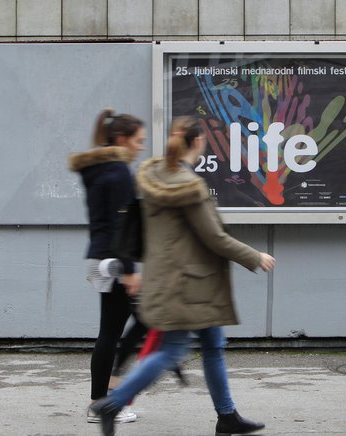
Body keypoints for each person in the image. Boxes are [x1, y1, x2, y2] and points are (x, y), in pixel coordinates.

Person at [90, 116, 276, 436]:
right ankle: (113, 402)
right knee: (172, 351)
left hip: (177, 277)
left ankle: (227, 415)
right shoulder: (189, 186)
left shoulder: (155, 175)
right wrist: (254, 256)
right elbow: (214, 237)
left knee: (213, 344)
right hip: (192, 283)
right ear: (199, 143)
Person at [68, 109, 149, 424]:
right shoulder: (117, 172)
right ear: (121, 139)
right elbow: (121, 223)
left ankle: (104, 399)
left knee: (115, 330)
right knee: (133, 325)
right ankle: (103, 402)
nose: (141, 147)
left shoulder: (100, 169)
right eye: (138, 141)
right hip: (114, 261)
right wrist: (129, 270)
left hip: (100, 258)